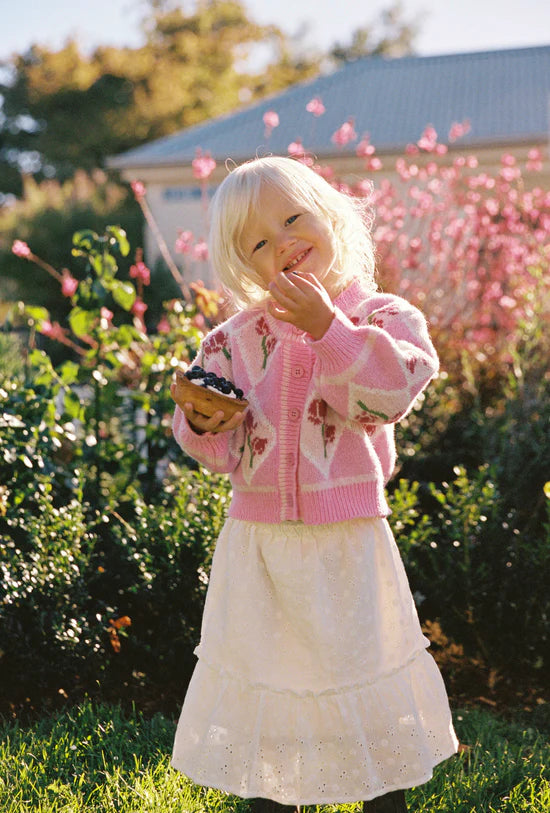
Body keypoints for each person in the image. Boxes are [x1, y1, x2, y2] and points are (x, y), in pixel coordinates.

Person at [170, 156, 458, 813]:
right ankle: (273, 800)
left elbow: (388, 393)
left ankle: (382, 797)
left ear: (331, 216)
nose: (284, 243)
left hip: (349, 542)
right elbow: (214, 448)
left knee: (364, 679)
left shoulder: (385, 317)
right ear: (247, 267)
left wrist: (329, 328)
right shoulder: (232, 341)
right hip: (262, 548)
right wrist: (202, 420)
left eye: (293, 218)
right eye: (260, 243)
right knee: (273, 685)